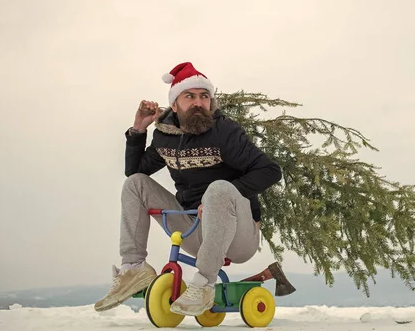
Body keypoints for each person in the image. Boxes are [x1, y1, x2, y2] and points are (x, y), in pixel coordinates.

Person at [94, 62, 282, 316]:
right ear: (174, 104)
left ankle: (204, 283)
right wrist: (139, 129)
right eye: (189, 96)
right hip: (194, 231)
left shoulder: (224, 131)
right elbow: (136, 170)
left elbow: (270, 170)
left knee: (217, 189)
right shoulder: (165, 135)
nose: (198, 102)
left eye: (204, 96)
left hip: (238, 236)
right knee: (134, 184)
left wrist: (221, 198)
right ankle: (133, 268)